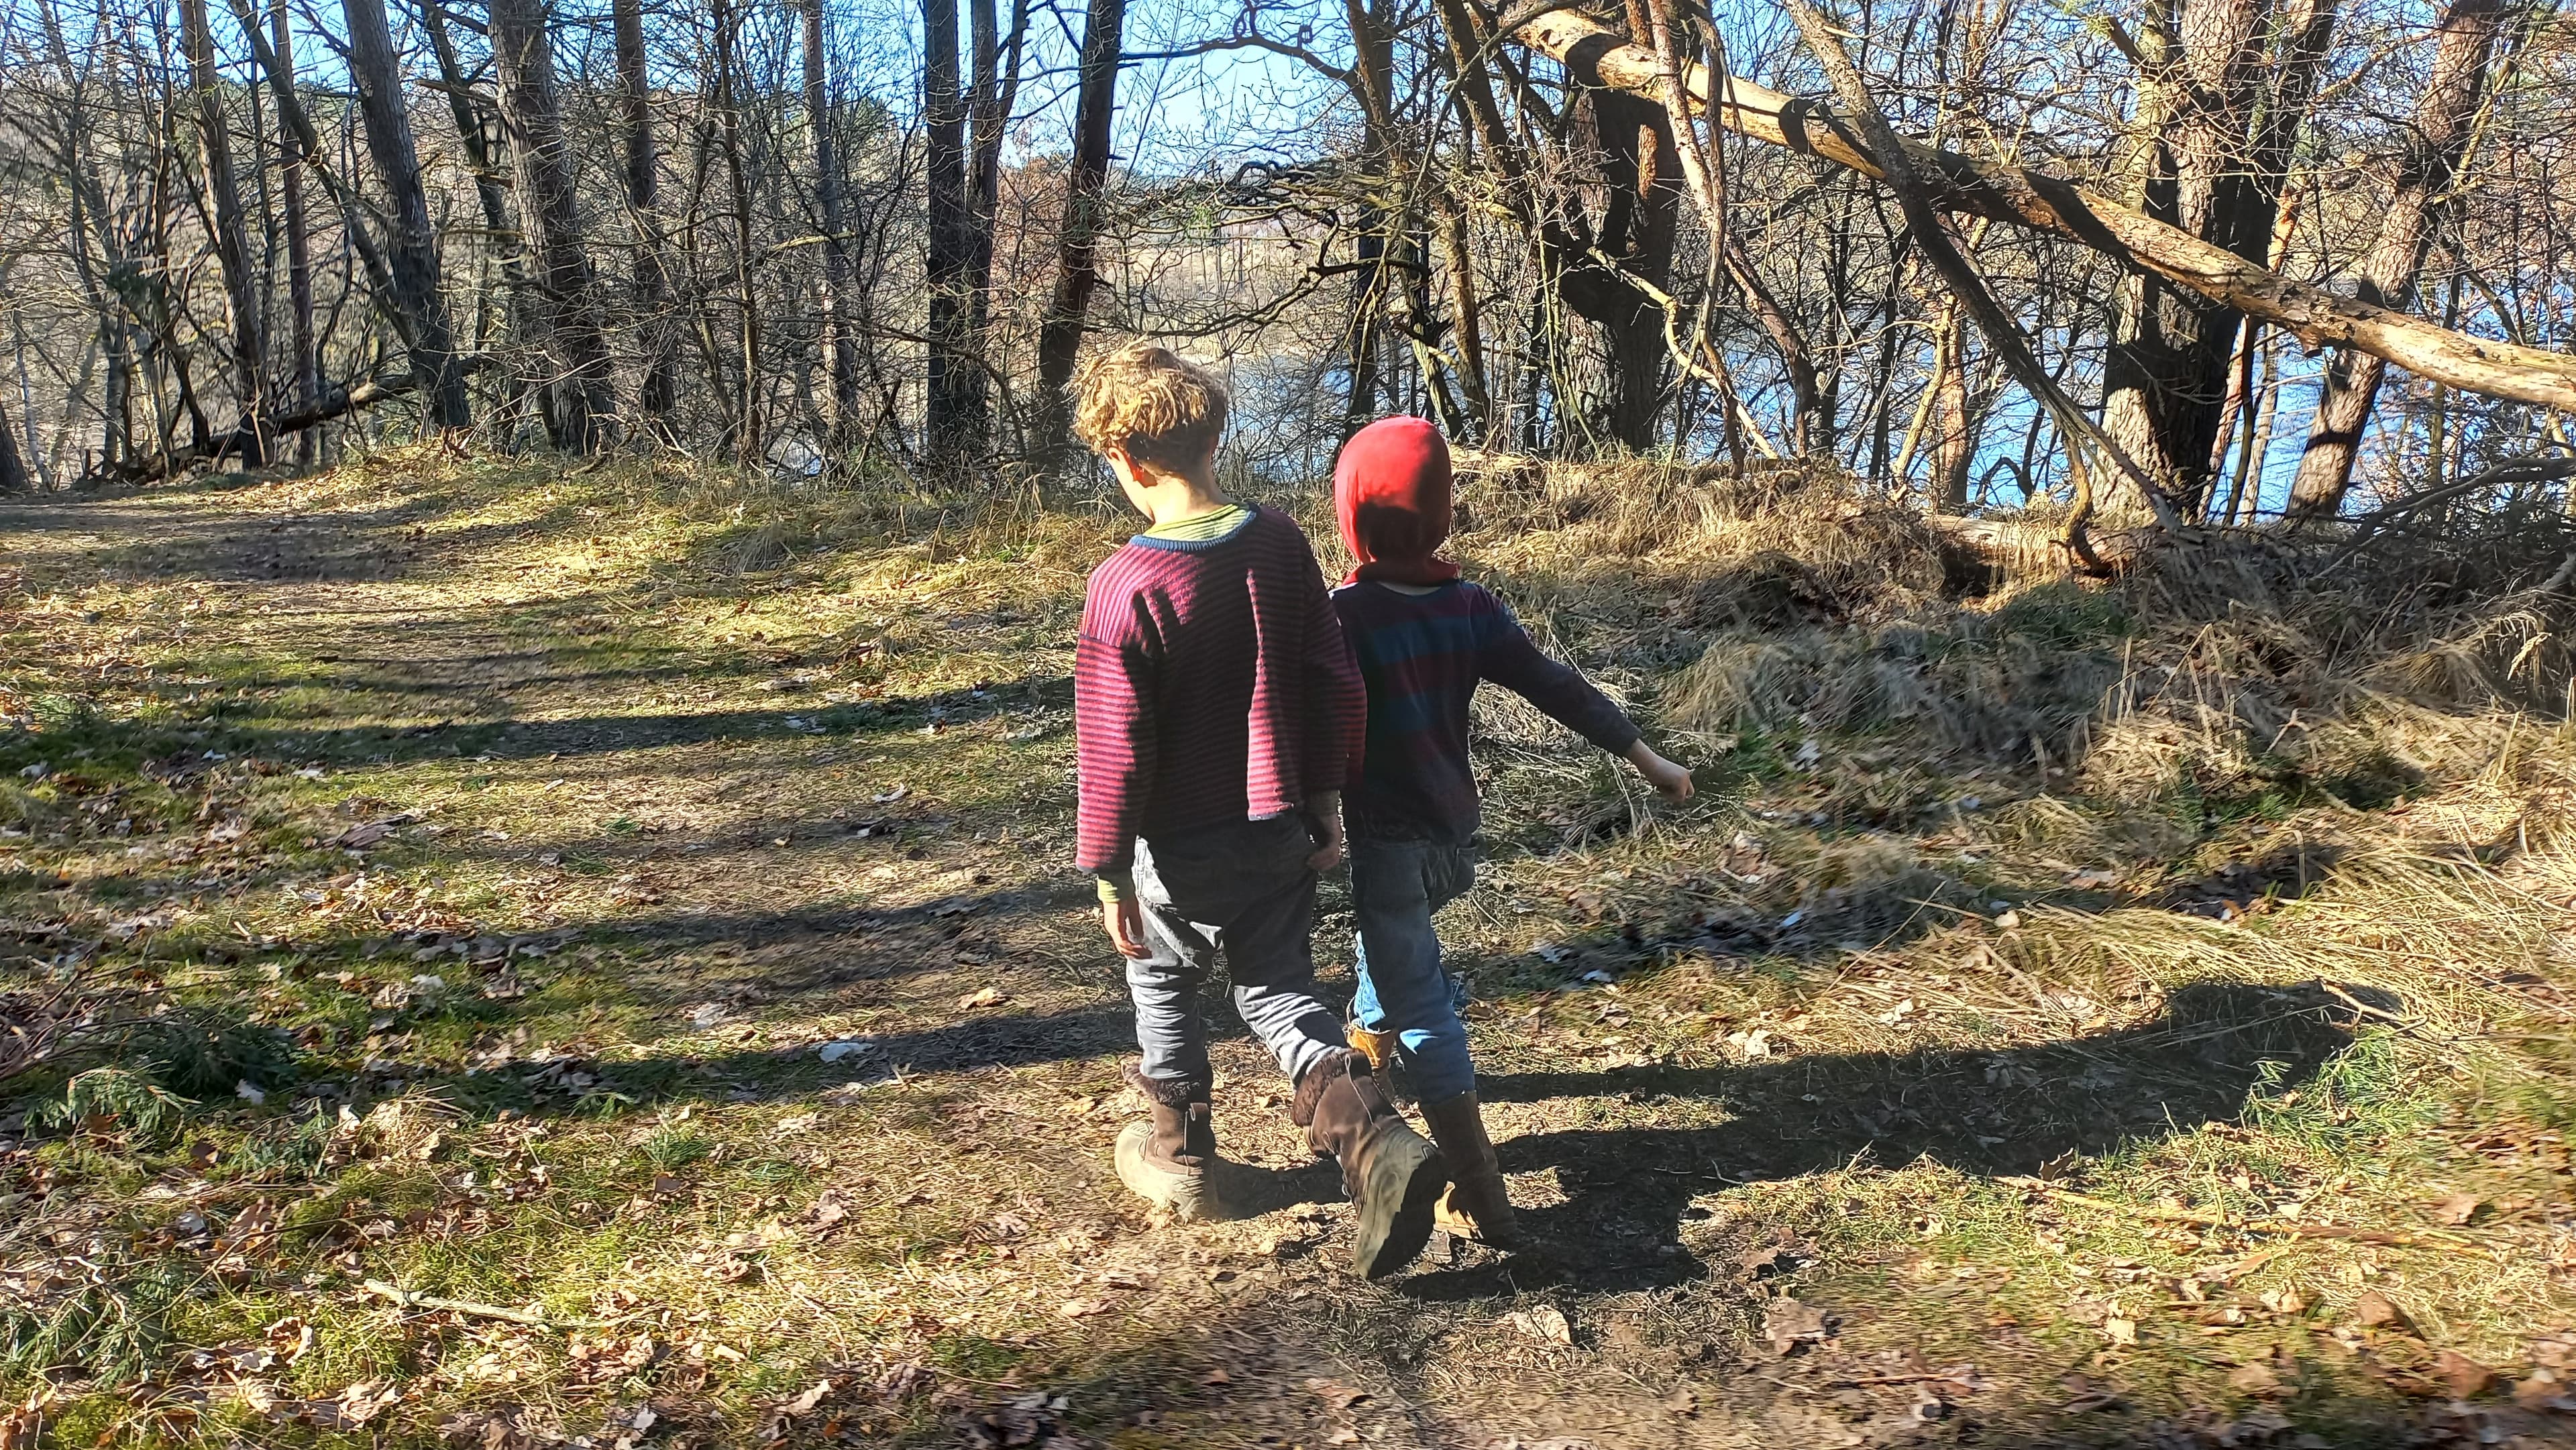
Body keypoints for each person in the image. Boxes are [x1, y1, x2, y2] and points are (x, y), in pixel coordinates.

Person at [1071, 343, 1448, 1278]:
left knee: (1161, 975)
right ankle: (1374, 1138)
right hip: (1278, 821)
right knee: (1280, 993)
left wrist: (1110, 870)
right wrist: (1325, 797)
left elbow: (1117, 746)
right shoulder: (1278, 541)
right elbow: (1334, 681)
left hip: (1178, 845)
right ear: (1214, 437)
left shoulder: (1125, 587)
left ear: (1126, 463)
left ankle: (1180, 1154)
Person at [1329, 415, 1695, 1247]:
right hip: (1454, 836)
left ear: (1350, 516)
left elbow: (1301, 719)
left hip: (1386, 840)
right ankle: (1371, 1084)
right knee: (1393, 951)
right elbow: (1556, 686)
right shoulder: (1469, 607)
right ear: (1444, 515)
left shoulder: (1341, 616)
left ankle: (1482, 1193)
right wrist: (1650, 758)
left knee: (1420, 998)